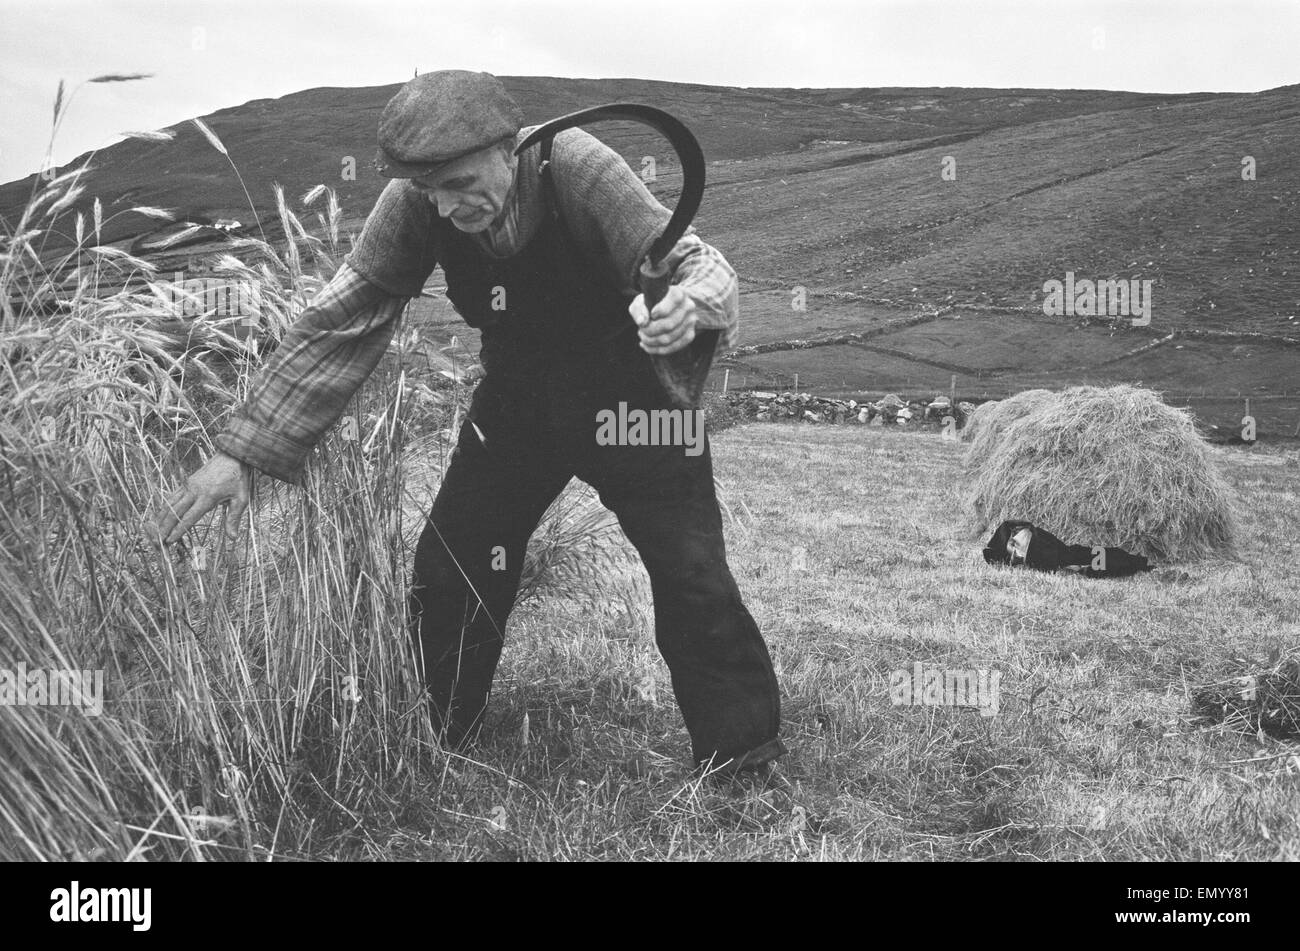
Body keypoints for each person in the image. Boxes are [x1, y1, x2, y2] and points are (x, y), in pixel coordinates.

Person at [152, 69, 786, 778]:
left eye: (458, 184)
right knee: (451, 568)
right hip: (518, 403)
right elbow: (343, 314)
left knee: (690, 570)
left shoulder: (577, 166)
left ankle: (744, 756)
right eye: (431, 191)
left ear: (508, 147)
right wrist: (241, 451)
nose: (447, 207)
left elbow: (696, 262)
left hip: (632, 399)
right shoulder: (414, 199)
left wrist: (693, 303)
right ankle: (439, 734)